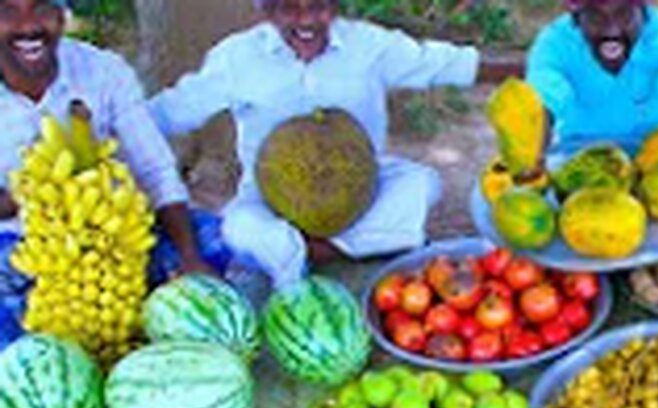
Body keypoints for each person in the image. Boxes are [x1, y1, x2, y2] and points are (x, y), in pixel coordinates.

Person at [149, 0, 520, 289]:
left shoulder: (370, 45)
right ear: (265, 10)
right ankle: (335, 249)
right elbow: (173, 110)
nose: (306, 20)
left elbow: (446, 64)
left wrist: (535, 67)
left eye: (319, 5)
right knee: (238, 228)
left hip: (362, 191)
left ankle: (308, 251)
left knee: (423, 185)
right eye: (288, 7)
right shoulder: (236, 58)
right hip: (270, 200)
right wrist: (108, 125)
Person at [0, 0, 228, 346]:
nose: (28, 25)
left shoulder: (103, 71)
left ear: (62, 15)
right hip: (19, 245)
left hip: (115, 241)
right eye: (7, 11)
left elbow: (155, 170)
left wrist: (189, 257)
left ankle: (144, 315)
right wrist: (41, 200)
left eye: (42, 7)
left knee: (219, 240)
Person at [526, 0, 658, 163]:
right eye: (595, 18)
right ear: (576, 19)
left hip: (656, 158)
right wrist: (531, 156)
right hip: (578, 158)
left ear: (643, 12)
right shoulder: (554, 45)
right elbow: (540, 106)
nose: (612, 30)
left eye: (624, 15)